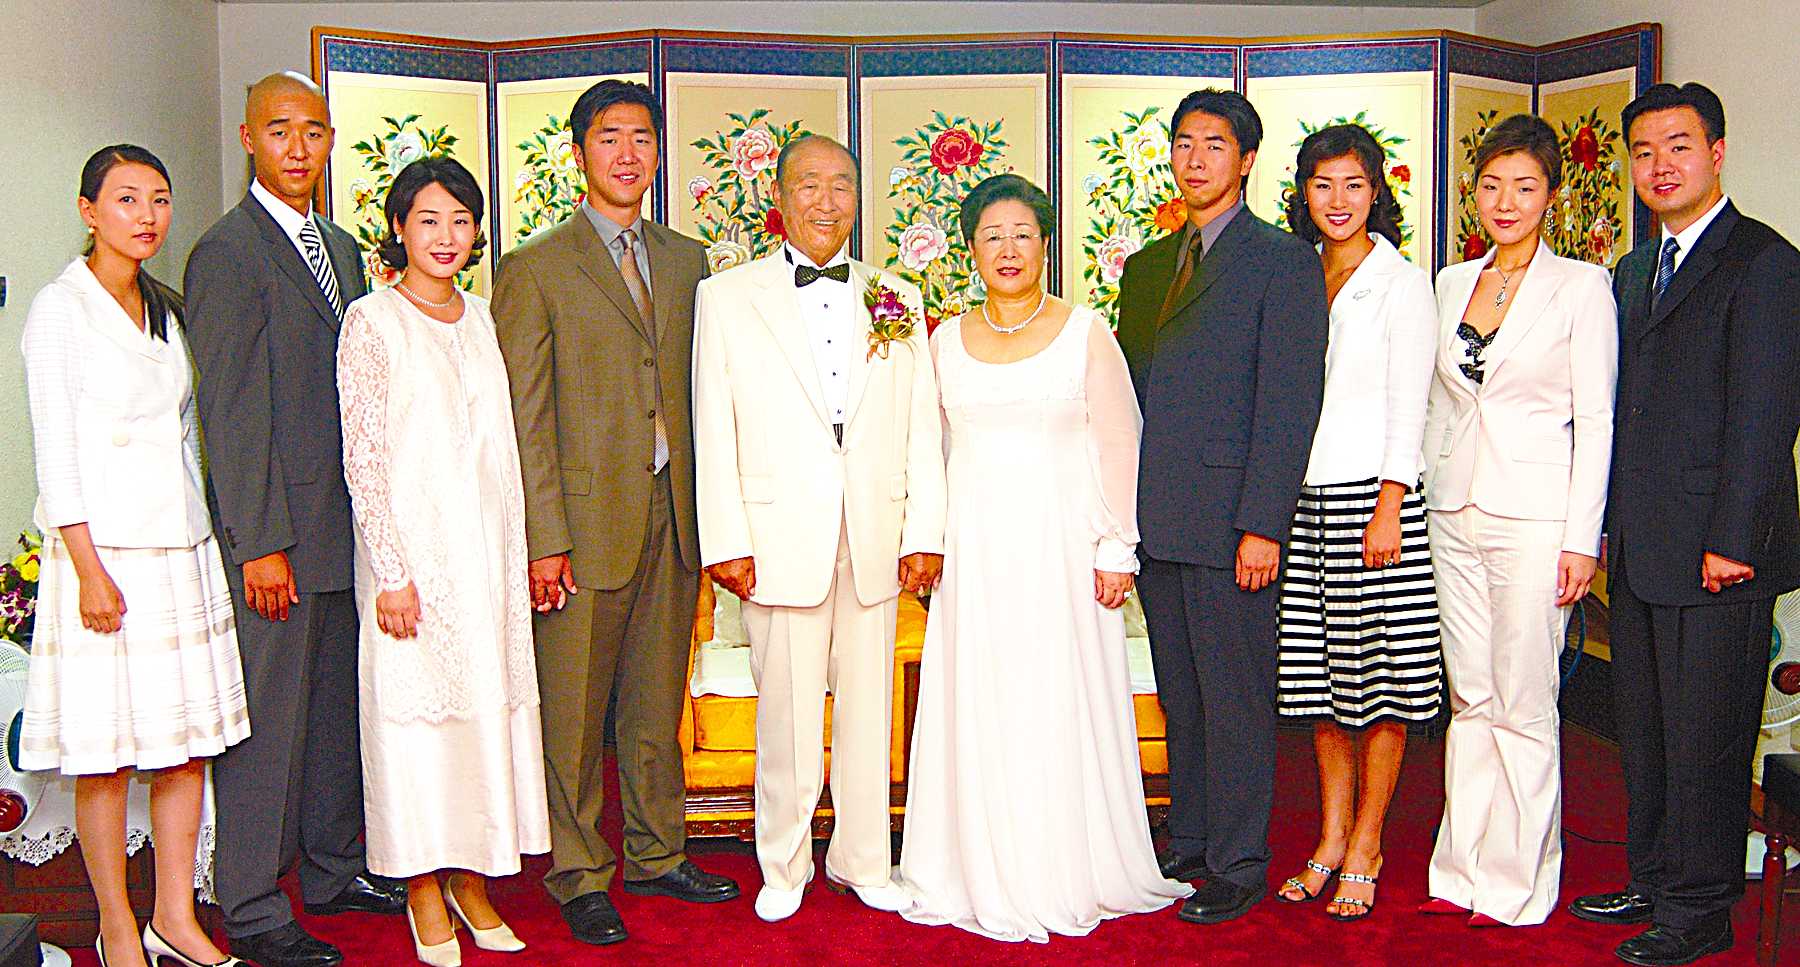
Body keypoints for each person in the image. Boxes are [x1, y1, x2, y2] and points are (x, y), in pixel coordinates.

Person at [895, 173, 1191, 942]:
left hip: (1063, 554)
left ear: (1046, 244)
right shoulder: (942, 342)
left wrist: (1116, 546)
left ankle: (1068, 866)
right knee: (983, 703)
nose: (1008, 249)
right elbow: (928, 451)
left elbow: (1119, 443)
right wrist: (927, 541)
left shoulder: (1084, 332)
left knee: (1055, 703)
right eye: (992, 236)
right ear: (971, 249)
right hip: (976, 558)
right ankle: (973, 864)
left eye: (1022, 234)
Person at [491, 78, 737, 948]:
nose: (627, 153)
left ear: (659, 153)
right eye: (608, 138)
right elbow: (524, 416)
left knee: (655, 700)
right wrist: (543, 538)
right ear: (578, 152)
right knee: (572, 709)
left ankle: (658, 852)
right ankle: (578, 871)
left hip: (674, 512)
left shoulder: (688, 260)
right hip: (582, 523)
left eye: (641, 137)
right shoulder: (533, 267)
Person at [1569, 82, 1800, 967]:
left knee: (1708, 737)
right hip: (1640, 547)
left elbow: (1765, 415)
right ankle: (1655, 878)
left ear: (1717, 152)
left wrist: (1733, 540)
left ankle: (1701, 910)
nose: (1660, 165)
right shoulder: (1634, 270)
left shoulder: (1764, 262)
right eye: (1644, 151)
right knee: (1649, 731)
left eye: (1679, 146)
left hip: (1718, 552)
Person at [692, 134, 947, 923]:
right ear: (779, 195)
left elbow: (920, 425)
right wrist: (725, 539)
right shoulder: (726, 297)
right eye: (809, 184)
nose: (826, 200)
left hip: (875, 534)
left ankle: (864, 859)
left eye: (841, 184)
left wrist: (924, 531)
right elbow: (713, 426)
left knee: (870, 711)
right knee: (788, 716)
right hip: (776, 539)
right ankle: (784, 862)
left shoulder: (897, 295)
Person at [185, 71, 406, 967]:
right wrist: (259, 542)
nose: (298, 147)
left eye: (314, 130)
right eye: (280, 130)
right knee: (268, 729)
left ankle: (332, 867)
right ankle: (247, 903)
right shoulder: (227, 252)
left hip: (345, 530)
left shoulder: (343, 248)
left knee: (333, 717)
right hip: (279, 538)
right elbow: (231, 410)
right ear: (249, 138)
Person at [19, 144, 250, 967]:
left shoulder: (165, 307)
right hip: (104, 554)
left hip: (178, 547)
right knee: (108, 755)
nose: (146, 215)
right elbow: (56, 451)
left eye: (158, 198)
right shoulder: (60, 308)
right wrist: (87, 569)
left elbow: (185, 437)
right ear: (88, 211)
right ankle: (118, 928)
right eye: (126, 198)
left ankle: (174, 918)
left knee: (184, 747)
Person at [1115, 88, 1328, 926]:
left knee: (1236, 697)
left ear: (1246, 161)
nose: (1195, 157)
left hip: (1234, 523)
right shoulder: (1146, 268)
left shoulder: (1284, 261)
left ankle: (1239, 861)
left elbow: (1289, 402)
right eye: (1183, 142)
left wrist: (1262, 524)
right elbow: (1128, 399)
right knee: (1182, 691)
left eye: (1214, 144)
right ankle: (1195, 837)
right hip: (1157, 518)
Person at [336, 157, 550, 967]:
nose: (446, 236)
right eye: (428, 219)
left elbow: (503, 450)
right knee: (415, 727)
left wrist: (517, 554)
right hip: (413, 563)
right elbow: (364, 457)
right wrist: (391, 571)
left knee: (482, 717)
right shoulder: (372, 321)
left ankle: (471, 878)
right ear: (399, 227)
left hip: (485, 557)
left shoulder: (483, 317)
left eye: (461, 220)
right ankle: (422, 885)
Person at [1421, 114, 1616, 928]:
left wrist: (1580, 537)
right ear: (1475, 192)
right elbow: (1439, 401)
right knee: (1471, 696)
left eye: (1524, 187)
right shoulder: (1448, 282)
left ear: (1551, 196)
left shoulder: (1582, 287)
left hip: (1535, 516)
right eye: (1492, 184)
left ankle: (1519, 880)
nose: (1506, 201)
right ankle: (1461, 867)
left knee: (1526, 699)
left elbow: (1596, 419)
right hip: (1452, 507)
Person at [1272, 124, 1440, 921]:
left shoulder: (1401, 283)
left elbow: (1411, 403)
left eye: (1354, 184)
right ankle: (1331, 834)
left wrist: (1389, 506)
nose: (1338, 200)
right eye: (1322, 184)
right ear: (1303, 194)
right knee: (1319, 686)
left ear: (1377, 191)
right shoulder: (1294, 271)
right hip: (1299, 501)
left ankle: (1368, 842)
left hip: (1374, 501)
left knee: (1382, 683)